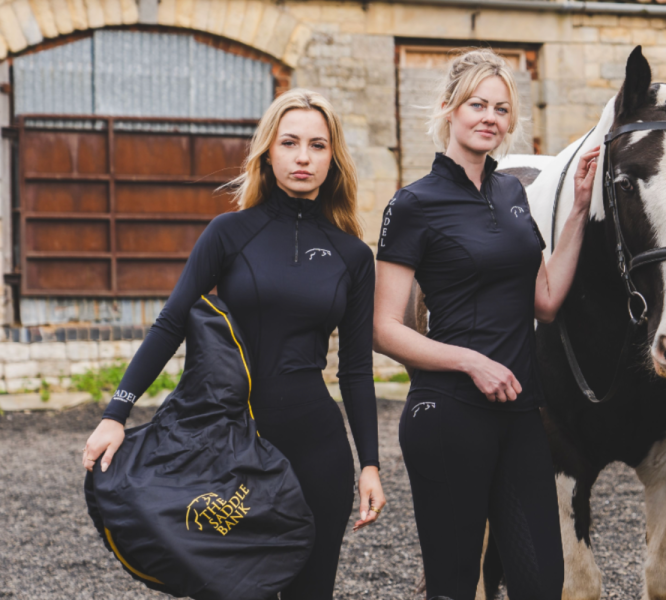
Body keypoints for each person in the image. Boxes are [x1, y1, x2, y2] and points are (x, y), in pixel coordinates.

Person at [82, 89, 385, 599]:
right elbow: (171, 323)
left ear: (333, 157)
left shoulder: (353, 255)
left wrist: (370, 463)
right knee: (231, 587)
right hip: (229, 446)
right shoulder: (229, 233)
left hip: (317, 449)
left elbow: (356, 369)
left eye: (317, 144)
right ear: (269, 150)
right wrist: (116, 412)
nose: (303, 156)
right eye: (290, 142)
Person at [373, 49, 597, 600]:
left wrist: (575, 216)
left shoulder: (511, 194)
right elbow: (382, 328)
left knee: (541, 582)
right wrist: (469, 360)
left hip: (520, 414)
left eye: (500, 107)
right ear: (450, 108)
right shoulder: (412, 205)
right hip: (448, 414)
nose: (489, 117)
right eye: (477, 104)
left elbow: (544, 301)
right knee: (454, 587)